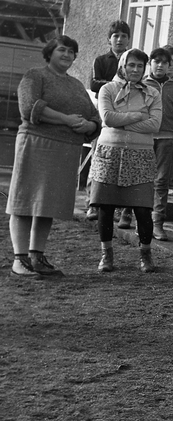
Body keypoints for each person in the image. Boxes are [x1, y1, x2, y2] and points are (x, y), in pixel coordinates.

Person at [6, 36, 100, 278]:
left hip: (65, 151)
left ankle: (37, 257)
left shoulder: (76, 85)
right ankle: (19, 260)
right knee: (25, 201)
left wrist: (89, 126)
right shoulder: (35, 76)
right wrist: (66, 119)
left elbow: (94, 116)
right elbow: (29, 107)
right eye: (62, 50)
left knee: (47, 204)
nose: (67, 55)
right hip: (36, 145)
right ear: (50, 52)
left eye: (71, 52)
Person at [90, 49, 162, 273]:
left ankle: (145, 255)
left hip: (140, 155)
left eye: (140, 66)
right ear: (122, 65)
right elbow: (107, 117)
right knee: (106, 207)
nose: (135, 70)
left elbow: (155, 124)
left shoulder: (152, 92)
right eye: (131, 65)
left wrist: (121, 121)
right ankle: (107, 255)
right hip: (109, 154)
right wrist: (138, 116)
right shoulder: (108, 89)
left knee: (142, 209)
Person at [86, 19, 130, 221]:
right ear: (109, 39)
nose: (119, 40)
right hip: (104, 114)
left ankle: (117, 206)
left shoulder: (132, 60)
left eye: (123, 36)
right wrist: (117, 85)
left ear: (128, 39)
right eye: (115, 36)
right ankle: (92, 203)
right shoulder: (101, 60)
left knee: (122, 160)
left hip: (125, 115)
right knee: (99, 157)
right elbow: (94, 84)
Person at [145, 47, 173, 242]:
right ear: (150, 63)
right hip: (144, 138)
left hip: (167, 139)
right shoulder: (142, 85)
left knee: (161, 181)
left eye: (164, 62)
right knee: (141, 178)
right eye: (156, 61)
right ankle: (136, 217)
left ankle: (157, 222)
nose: (160, 65)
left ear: (170, 65)